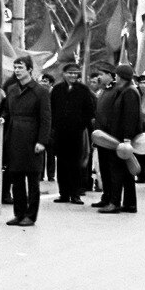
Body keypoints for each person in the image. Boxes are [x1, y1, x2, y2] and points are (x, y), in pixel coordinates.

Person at [0, 56, 51, 226]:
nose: (17, 70)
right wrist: (1, 119)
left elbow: (46, 118)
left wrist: (42, 141)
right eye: (15, 67)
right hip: (13, 137)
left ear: (29, 69)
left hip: (32, 138)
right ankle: (19, 213)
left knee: (33, 180)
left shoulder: (40, 91)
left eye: (20, 67)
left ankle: (31, 215)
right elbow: (6, 112)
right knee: (16, 178)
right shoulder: (12, 89)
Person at [94, 63, 142, 212]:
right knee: (125, 173)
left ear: (119, 76)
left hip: (121, 139)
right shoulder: (123, 90)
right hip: (116, 138)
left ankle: (114, 203)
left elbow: (130, 117)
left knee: (117, 171)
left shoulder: (129, 92)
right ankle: (129, 204)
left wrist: (127, 139)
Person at [49, 62, 96, 204]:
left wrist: (84, 127)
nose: (73, 75)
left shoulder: (83, 90)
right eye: (70, 73)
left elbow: (89, 111)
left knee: (76, 163)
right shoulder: (57, 90)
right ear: (64, 74)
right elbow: (51, 110)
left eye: (75, 73)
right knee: (62, 163)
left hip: (77, 133)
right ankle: (63, 193)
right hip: (60, 132)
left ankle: (75, 194)